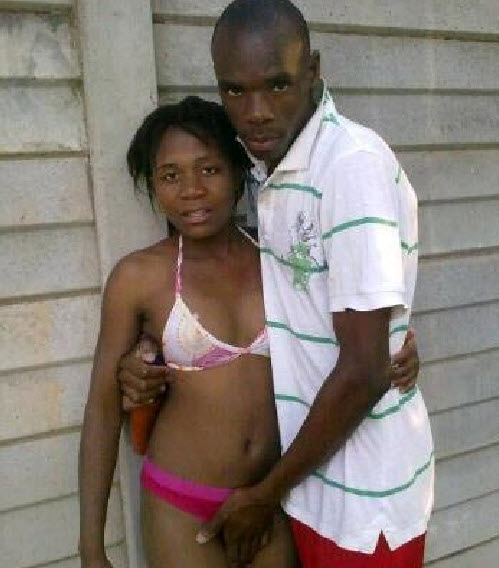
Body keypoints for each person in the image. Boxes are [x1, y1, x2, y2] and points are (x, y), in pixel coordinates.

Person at [118, 1, 434, 567]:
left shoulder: (349, 165)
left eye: (278, 85)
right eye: (235, 91)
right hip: (310, 490)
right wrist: (148, 353)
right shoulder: (277, 177)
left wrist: (265, 494)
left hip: (363, 502)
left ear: (313, 71)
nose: (256, 112)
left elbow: (363, 369)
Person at [79, 97, 299, 568]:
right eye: (170, 176)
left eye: (209, 170)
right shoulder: (139, 277)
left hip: (265, 497)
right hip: (180, 504)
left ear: (237, 172)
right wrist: (91, 546)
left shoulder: (278, 260)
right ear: (153, 186)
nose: (192, 191)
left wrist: (396, 347)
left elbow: (340, 336)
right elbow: (102, 409)